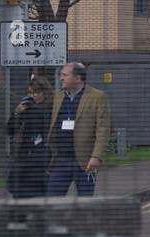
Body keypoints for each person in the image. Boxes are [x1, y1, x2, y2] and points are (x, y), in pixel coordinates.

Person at [45, 62, 111, 197]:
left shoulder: (97, 97)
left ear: (77, 78)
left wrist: (96, 156)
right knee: (52, 198)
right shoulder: (58, 97)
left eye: (65, 75)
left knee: (84, 201)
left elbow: (103, 129)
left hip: (84, 161)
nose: (61, 78)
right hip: (61, 159)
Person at [7, 75, 51, 198]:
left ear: (45, 92)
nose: (33, 96)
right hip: (25, 157)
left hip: (42, 159)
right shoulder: (26, 107)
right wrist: (16, 113)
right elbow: (10, 130)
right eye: (31, 93)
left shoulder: (51, 108)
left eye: (37, 92)